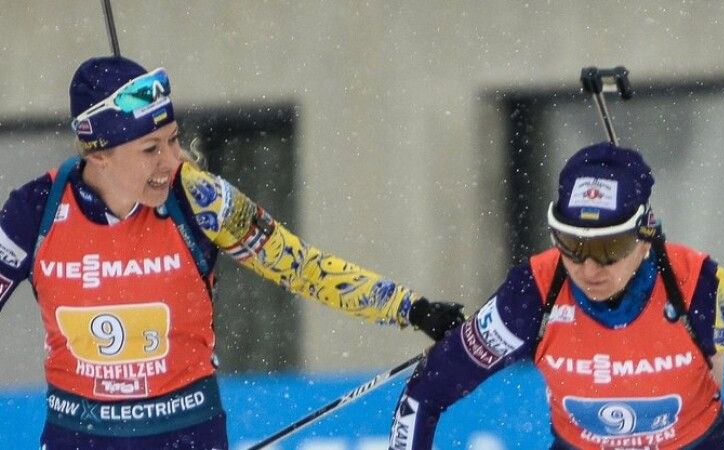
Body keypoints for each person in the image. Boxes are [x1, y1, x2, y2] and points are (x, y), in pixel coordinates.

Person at [0, 56, 464, 449]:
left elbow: (301, 267)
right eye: (150, 149)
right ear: (99, 155)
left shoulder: (199, 198)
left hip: (185, 432)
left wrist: (411, 308)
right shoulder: (36, 211)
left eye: (174, 139)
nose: (172, 160)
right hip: (79, 436)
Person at [388, 142, 724, 450]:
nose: (589, 268)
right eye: (571, 244)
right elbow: (424, 394)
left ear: (646, 237)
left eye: (608, 249)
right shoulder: (532, 295)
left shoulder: (703, 291)